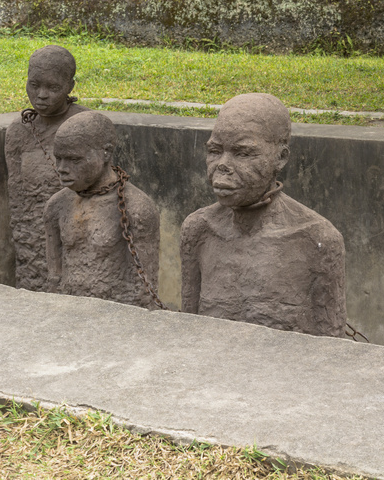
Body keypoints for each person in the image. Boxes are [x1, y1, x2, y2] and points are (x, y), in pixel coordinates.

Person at [180, 93, 346, 337]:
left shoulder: (317, 240)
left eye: (243, 153)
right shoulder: (198, 230)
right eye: (215, 151)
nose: (222, 166)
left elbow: (332, 344)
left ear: (280, 158)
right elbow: (189, 330)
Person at [45, 112, 161, 308]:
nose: (62, 168)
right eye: (59, 158)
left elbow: (144, 290)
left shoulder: (137, 208)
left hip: (115, 315)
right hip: (68, 311)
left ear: (105, 153)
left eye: (74, 160)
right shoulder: (56, 206)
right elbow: (54, 278)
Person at [5, 45, 87, 292]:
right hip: (32, 242)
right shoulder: (18, 132)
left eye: (53, 88)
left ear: (70, 87)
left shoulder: (84, 126)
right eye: (34, 85)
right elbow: (17, 196)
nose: (41, 95)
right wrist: (26, 243)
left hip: (76, 237)